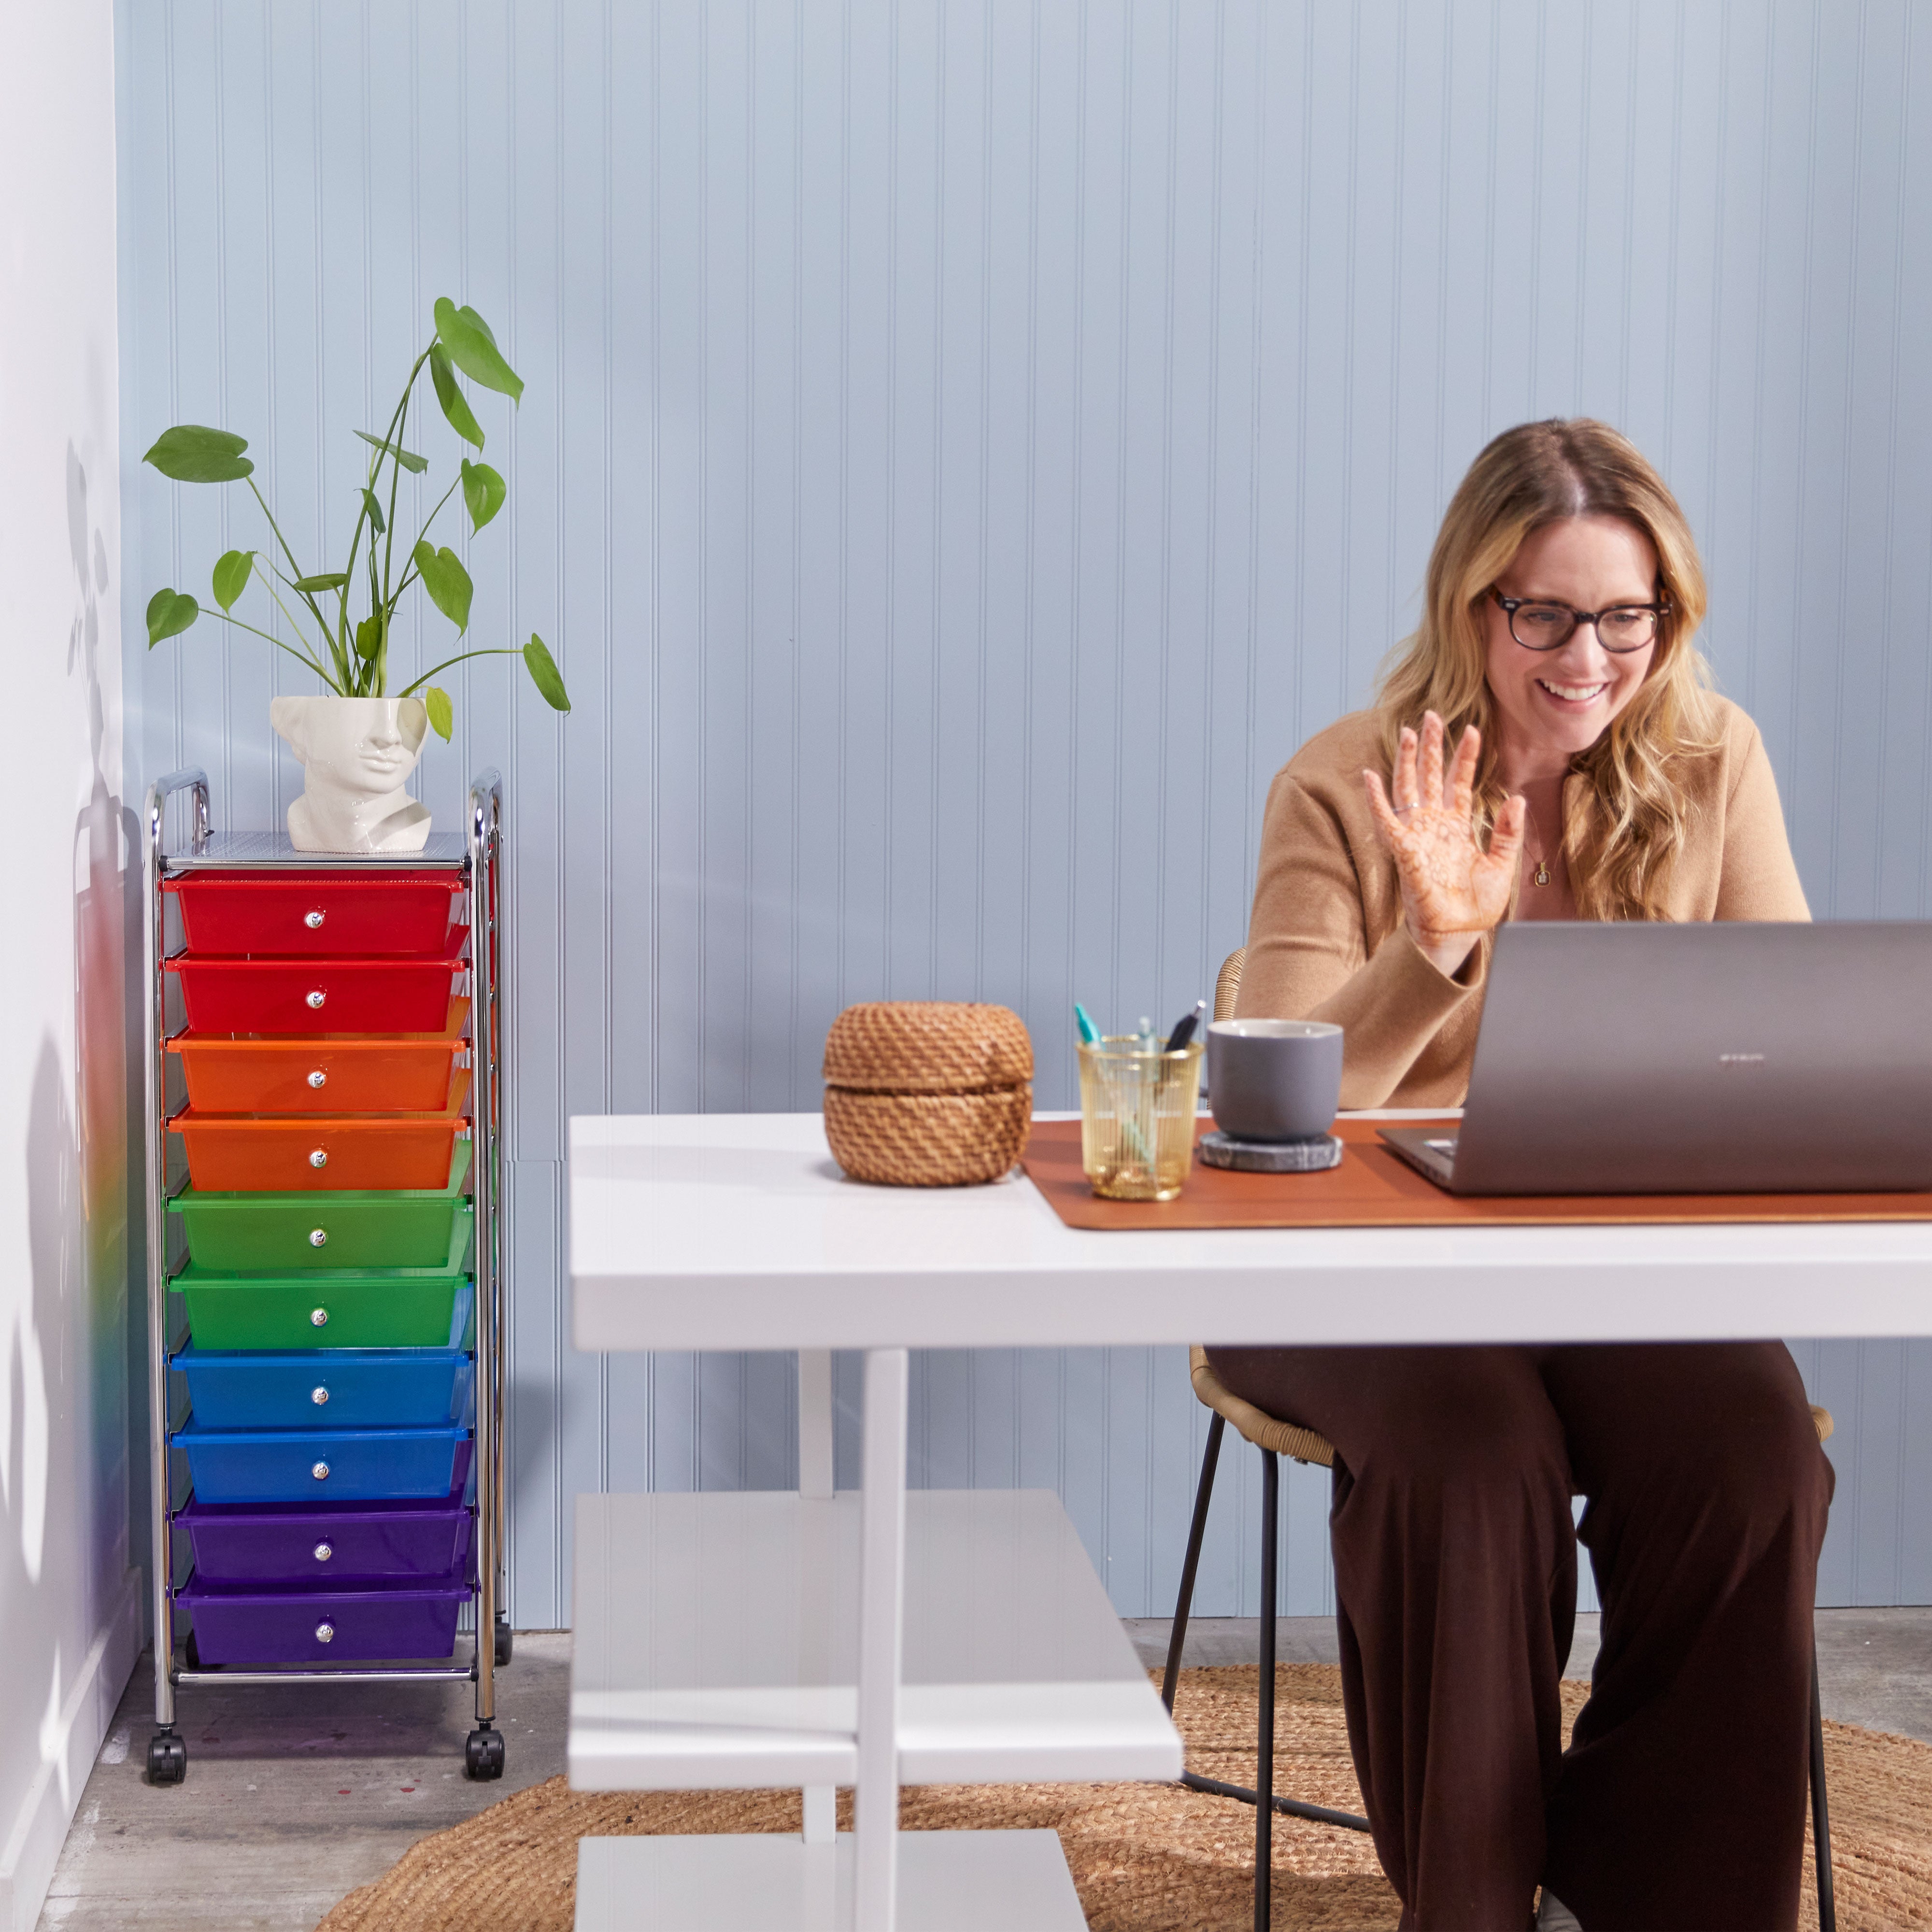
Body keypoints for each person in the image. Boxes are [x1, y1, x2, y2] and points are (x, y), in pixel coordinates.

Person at [1206, 418, 1832, 1932]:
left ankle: (1640, 1896)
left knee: (1754, 1453)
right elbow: (1278, 1090)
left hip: (1601, 1250)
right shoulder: (1345, 783)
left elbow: (1792, 1031)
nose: (1589, 655)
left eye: (1629, 616)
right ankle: (1473, 1907)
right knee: (1478, 1464)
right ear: (1470, 603)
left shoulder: (1710, 758)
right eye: (1543, 613)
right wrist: (1433, 945)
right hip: (1343, 1256)